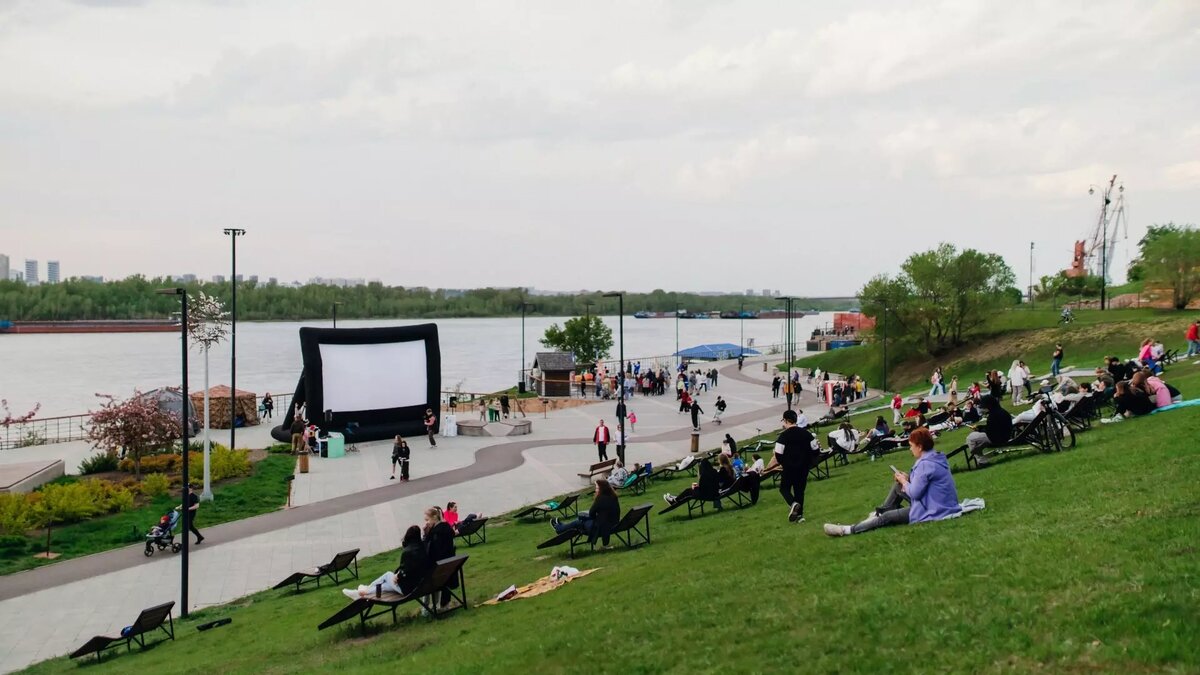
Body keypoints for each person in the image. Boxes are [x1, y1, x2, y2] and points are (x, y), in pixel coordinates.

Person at [823, 428, 961, 537]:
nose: (910, 449)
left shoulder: (925, 464)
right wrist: (907, 480)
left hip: (934, 509)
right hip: (942, 502)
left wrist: (904, 481)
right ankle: (878, 516)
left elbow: (915, 494)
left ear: (919, 447)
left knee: (888, 516)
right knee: (898, 486)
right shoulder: (936, 458)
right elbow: (926, 483)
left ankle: (848, 530)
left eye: (911, 446)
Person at [343, 526, 427, 599]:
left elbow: (407, 569)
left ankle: (366, 589)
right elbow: (411, 568)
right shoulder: (422, 547)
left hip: (407, 589)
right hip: (418, 586)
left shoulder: (408, 552)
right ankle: (360, 593)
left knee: (387, 575)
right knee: (384, 586)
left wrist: (397, 576)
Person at [766, 409, 820, 523]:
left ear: (786, 420)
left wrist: (784, 463)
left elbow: (778, 454)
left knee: (784, 489)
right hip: (803, 467)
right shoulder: (807, 434)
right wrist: (809, 461)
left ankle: (793, 504)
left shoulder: (783, 437)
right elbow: (816, 449)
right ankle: (800, 516)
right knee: (799, 491)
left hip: (789, 467)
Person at [553, 479, 620, 539]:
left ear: (602, 489)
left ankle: (559, 529)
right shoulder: (613, 497)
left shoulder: (600, 499)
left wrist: (593, 516)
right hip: (613, 524)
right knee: (581, 519)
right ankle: (562, 526)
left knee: (579, 521)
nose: (595, 490)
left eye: (597, 488)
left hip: (600, 528)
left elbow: (591, 514)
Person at [423, 506, 458, 609]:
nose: (427, 523)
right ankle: (443, 604)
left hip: (440, 568)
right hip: (450, 566)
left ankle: (427, 607)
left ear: (434, 517)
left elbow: (432, 552)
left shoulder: (436, 532)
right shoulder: (446, 527)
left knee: (426, 575)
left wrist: (426, 534)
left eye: (427, 520)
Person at [965, 396, 1013, 467]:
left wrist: (980, 429)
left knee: (970, 438)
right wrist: (980, 428)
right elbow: (993, 427)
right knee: (975, 439)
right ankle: (978, 453)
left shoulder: (993, 415)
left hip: (996, 438)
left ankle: (982, 461)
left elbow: (990, 431)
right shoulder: (1003, 412)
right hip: (1006, 436)